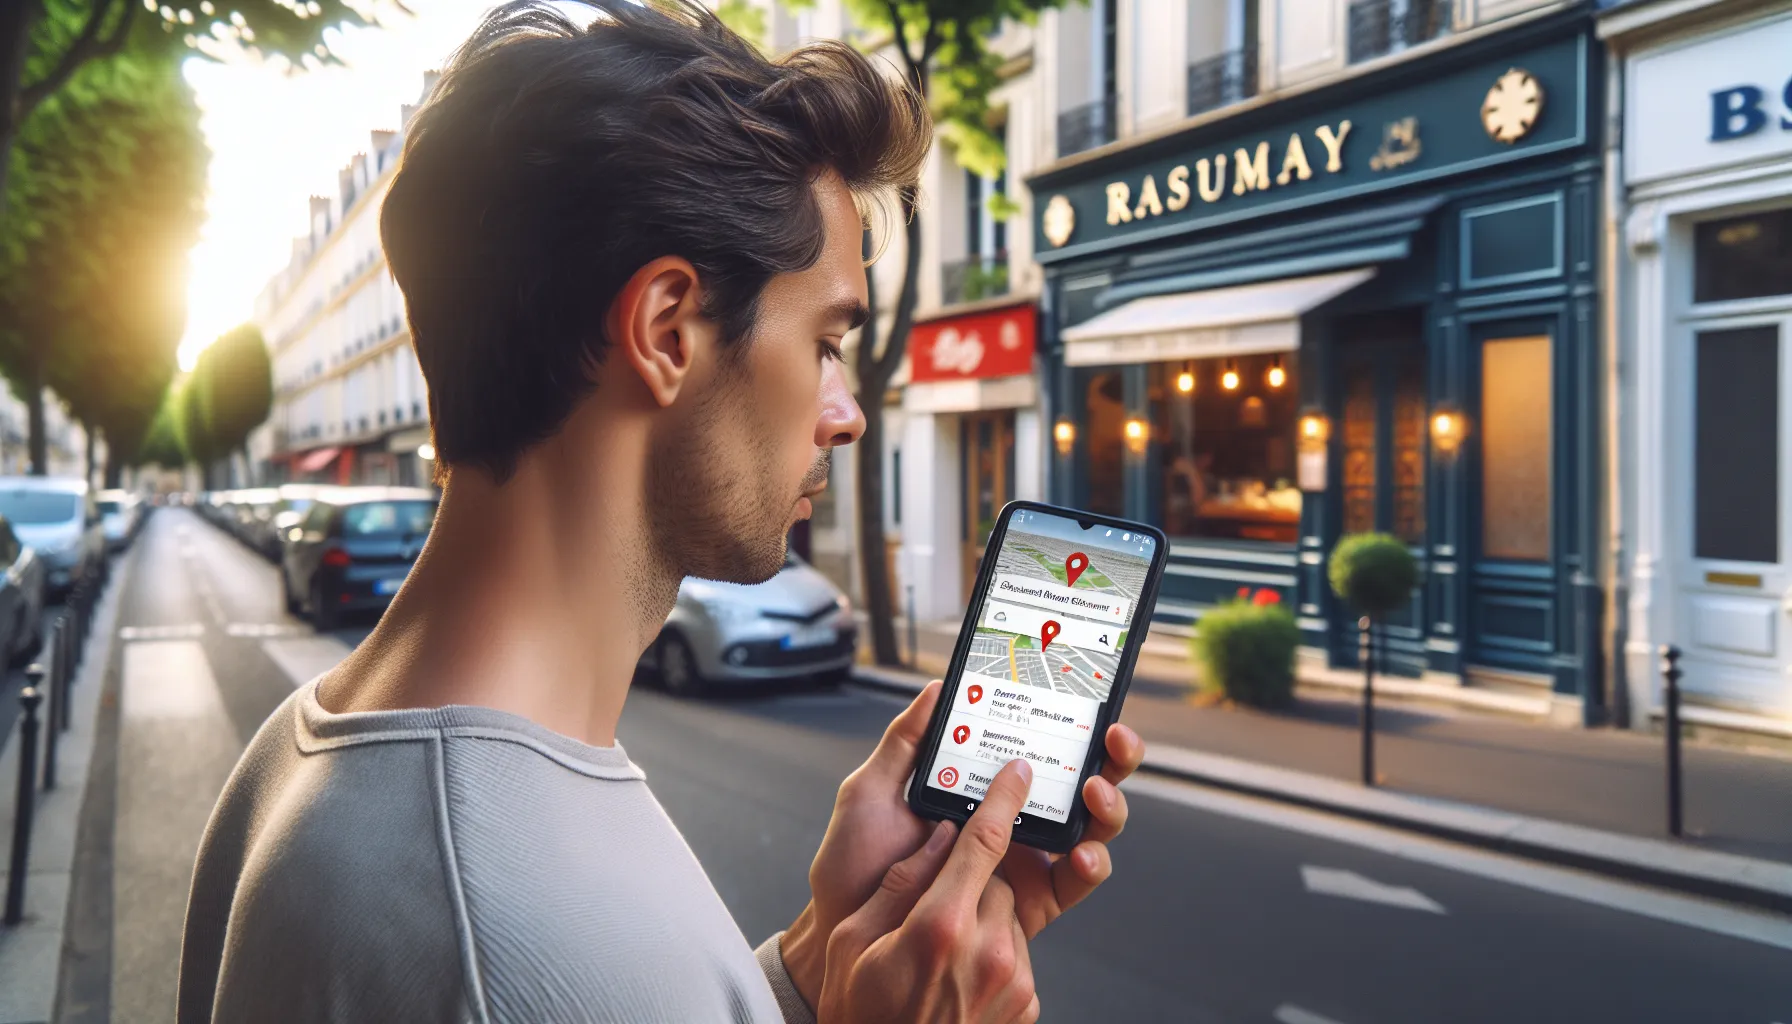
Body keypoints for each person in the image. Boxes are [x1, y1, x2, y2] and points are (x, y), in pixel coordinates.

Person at [175, 2, 1146, 1022]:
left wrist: (817, 961)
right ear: (667, 329)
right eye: (824, 342)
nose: (845, 413)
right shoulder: (530, 936)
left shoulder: (295, 759)